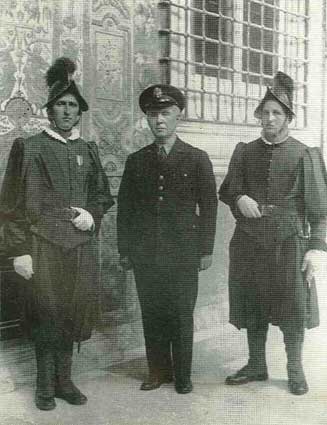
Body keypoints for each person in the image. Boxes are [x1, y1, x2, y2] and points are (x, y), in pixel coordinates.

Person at [0, 57, 114, 410]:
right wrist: (19, 251)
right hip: (41, 246)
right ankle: (44, 387)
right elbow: (10, 205)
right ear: (49, 111)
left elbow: (102, 196)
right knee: (46, 312)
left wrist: (90, 215)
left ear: (79, 111)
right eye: (60, 105)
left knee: (72, 311)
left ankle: (66, 381)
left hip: (79, 247)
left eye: (72, 105)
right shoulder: (28, 148)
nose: (66, 111)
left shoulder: (87, 149)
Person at [219, 71, 327, 395]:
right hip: (250, 241)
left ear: (287, 117)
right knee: (253, 303)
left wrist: (316, 249)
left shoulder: (305, 154)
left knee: (292, 308)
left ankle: (294, 368)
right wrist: (239, 197)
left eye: (276, 113)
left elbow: (321, 211)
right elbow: (227, 190)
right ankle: (256, 364)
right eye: (265, 112)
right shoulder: (245, 151)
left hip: (289, 243)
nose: (269, 118)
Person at [117, 84, 217, 394]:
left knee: (181, 312)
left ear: (178, 117)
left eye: (166, 113)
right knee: (152, 311)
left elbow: (210, 206)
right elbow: (126, 210)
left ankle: (183, 375)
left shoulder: (197, 158)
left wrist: (205, 250)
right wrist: (125, 250)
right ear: (147, 119)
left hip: (184, 253)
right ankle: (157, 371)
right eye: (153, 114)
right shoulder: (136, 161)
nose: (159, 120)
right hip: (147, 253)